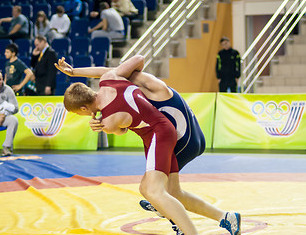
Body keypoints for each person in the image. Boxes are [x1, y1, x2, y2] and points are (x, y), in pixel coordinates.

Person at [56, 55, 242, 235]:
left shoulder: (111, 118)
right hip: (167, 130)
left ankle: (182, 225)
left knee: (154, 191)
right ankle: (225, 217)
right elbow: (117, 67)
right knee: (166, 192)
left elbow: (121, 130)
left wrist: (101, 125)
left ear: (83, 109)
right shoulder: (111, 78)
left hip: (172, 135)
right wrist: (74, 72)